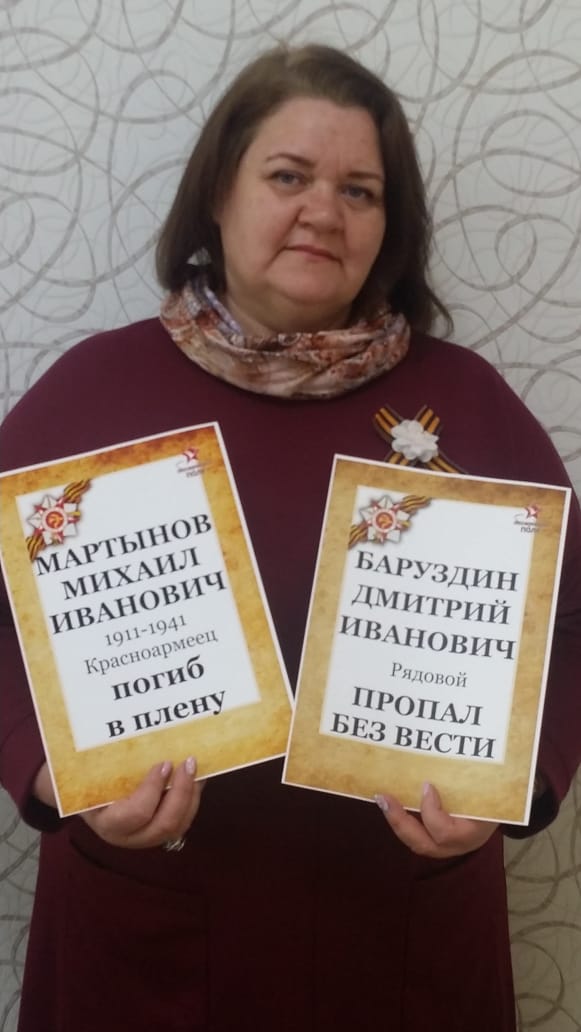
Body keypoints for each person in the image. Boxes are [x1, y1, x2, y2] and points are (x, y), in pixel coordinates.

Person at [1, 43, 580, 1032]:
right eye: (287, 176)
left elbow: (565, 626)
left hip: (395, 931)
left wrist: (515, 785)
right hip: (148, 930)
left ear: (388, 226)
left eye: (359, 190)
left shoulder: (465, 403)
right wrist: (45, 771)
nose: (323, 211)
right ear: (216, 195)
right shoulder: (93, 393)